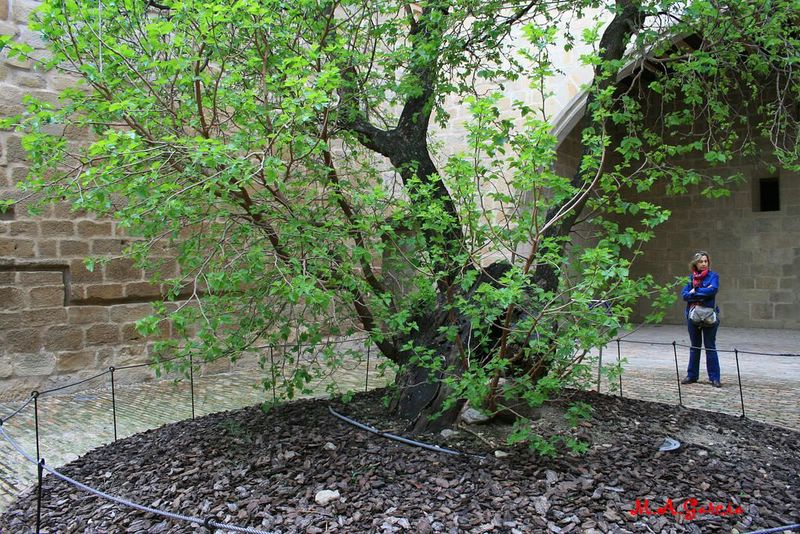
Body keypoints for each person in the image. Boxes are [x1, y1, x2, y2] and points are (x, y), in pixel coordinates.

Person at [681, 251, 721, 387]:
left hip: (709, 315)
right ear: (696, 264)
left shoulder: (713, 276)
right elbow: (684, 295)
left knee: (710, 346)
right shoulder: (690, 278)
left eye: (706, 261)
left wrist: (695, 292)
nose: (704, 264)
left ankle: (714, 378)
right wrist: (700, 293)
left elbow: (713, 290)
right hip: (693, 315)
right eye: (701, 261)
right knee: (694, 346)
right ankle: (692, 375)